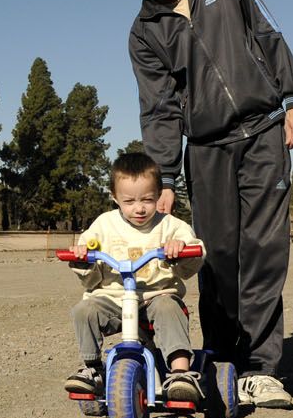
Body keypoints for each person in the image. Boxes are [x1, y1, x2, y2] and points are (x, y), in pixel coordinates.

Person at [121, 0, 293, 410]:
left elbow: (267, 32)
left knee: (266, 250)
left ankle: (260, 369)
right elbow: (159, 108)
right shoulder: (145, 34)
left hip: (264, 130)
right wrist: (163, 175)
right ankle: (223, 361)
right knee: (217, 256)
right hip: (206, 149)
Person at [62, 152, 205, 402]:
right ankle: (93, 369)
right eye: (129, 201)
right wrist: (82, 257)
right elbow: (90, 278)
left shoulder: (171, 226)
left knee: (168, 308)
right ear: (114, 197)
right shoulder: (104, 225)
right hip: (113, 299)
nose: (139, 208)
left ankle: (181, 373)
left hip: (155, 297)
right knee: (84, 310)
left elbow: (194, 255)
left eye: (148, 199)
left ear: (160, 194)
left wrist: (180, 249)